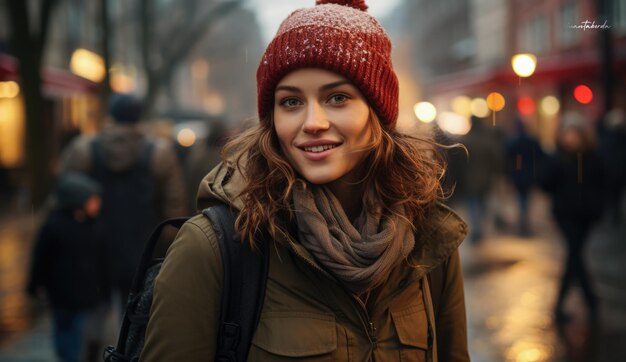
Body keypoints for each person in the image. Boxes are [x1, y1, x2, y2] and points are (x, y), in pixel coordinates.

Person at [141, 1, 470, 361]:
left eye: (338, 98)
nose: (312, 121)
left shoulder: (427, 240)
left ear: (377, 111)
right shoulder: (214, 248)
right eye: (291, 102)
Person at [60, 93, 187, 307]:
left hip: (96, 252)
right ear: (138, 116)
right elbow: (175, 208)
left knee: (96, 315)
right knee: (136, 317)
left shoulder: (84, 150)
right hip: (145, 250)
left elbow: (64, 195)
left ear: (112, 114)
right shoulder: (159, 152)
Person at [27, 172, 110, 362]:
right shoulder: (54, 226)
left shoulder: (96, 227)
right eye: (93, 199)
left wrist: (105, 290)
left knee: (83, 340)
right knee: (66, 340)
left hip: (87, 297)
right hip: (62, 297)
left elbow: (103, 262)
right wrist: (34, 284)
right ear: (78, 201)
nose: (98, 203)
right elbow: (41, 258)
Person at [540, 112, 604, 323]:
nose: (570, 138)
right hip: (565, 214)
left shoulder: (593, 157)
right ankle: (589, 302)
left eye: (574, 133)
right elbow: (545, 184)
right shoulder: (557, 158)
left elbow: (604, 183)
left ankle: (562, 304)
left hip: (587, 215)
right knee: (575, 253)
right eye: (567, 133)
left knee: (574, 256)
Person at [460, 115, 505, 243]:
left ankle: (477, 228)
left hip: (469, 179)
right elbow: (496, 159)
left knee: (472, 204)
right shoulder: (486, 140)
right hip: (486, 179)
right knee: (482, 203)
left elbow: (459, 162)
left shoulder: (466, 140)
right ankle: (480, 227)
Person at [505, 117, 545, 237]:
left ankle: (523, 220)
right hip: (529, 174)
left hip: (518, 174)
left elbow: (508, 157)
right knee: (525, 198)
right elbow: (540, 156)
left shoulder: (513, 142)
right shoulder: (532, 141)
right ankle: (524, 220)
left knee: (522, 198)